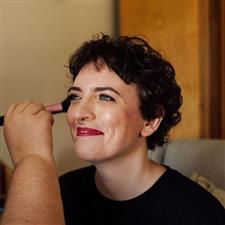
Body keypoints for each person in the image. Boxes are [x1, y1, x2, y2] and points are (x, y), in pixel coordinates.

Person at [1, 34, 225, 225]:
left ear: (150, 120)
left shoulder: (197, 213)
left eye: (105, 97)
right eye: (75, 97)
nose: (79, 113)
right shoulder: (58, 193)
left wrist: (32, 157)